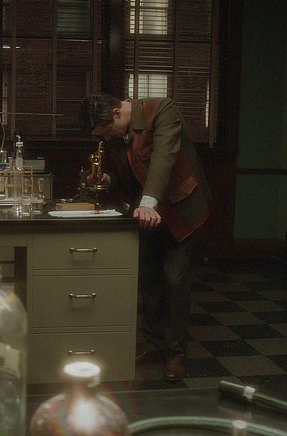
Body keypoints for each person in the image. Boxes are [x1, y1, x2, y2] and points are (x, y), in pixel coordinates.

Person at [80, 92, 212, 381]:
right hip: (146, 213)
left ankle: (176, 354)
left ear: (116, 113)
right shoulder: (116, 135)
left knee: (175, 281)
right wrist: (107, 180)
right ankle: (153, 344)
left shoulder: (162, 110)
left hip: (180, 209)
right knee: (149, 279)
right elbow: (128, 175)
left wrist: (149, 202)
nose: (105, 137)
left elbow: (164, 158)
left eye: (105, 130)